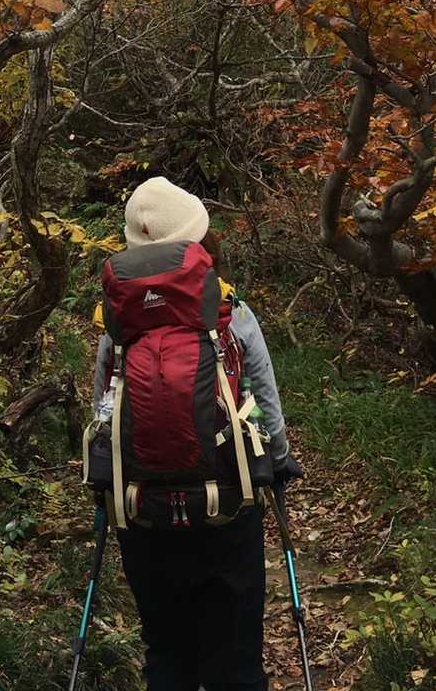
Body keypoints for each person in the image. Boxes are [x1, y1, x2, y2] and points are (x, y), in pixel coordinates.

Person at [91, 176, 302, 691]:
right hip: (227, 503)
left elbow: (104, 410)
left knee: (166, 655)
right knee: (237, 661)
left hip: (142, 511)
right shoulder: (230, 311)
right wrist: (277, 460)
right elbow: (262, 399)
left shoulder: (118, 323)